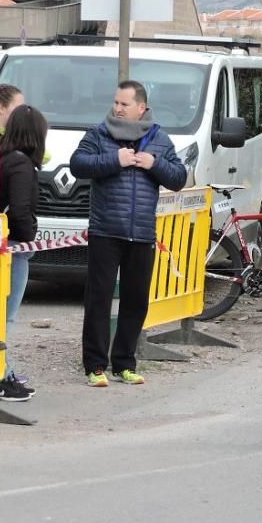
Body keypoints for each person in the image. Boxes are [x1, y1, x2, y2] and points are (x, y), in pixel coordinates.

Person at [71, 80, 187, 387]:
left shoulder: (159, 139)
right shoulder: (99, 134)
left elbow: (179, 178)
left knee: (136, 301)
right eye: (116, 103)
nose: (117, 108)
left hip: (143, 234)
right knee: (99, 299)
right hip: (106, 231)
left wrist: (154, 164)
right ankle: (95, 366)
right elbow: (77, 165)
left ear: (141, 108)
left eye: (124, 104)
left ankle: (124, 363)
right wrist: (114, 160)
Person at [0, 105, 48, 402]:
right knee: (3, 318)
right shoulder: (23, 165)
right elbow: (21, 210)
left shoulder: (2, 157)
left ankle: (1, 372)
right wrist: (29, 237)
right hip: (12, 249)